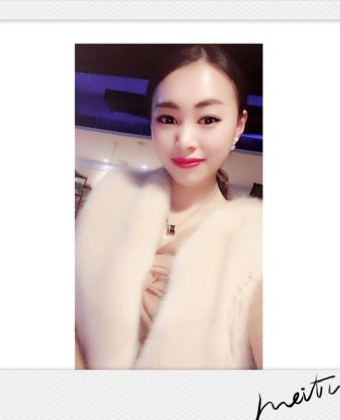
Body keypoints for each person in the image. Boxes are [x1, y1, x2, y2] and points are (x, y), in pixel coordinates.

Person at [75, 45, 262, 369]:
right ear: (151, 121)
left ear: (239, 124)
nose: (185, 139)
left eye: (208, 119)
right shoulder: (111, 201)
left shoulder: (255, 242)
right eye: (168, 118)